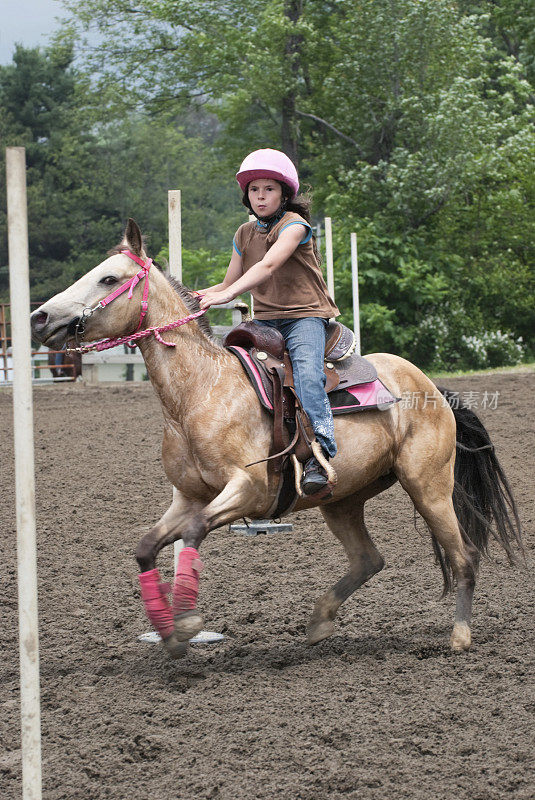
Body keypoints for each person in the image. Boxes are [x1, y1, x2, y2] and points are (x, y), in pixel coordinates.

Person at [199, 148, 339, 494]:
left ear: (284, 194)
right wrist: (189, 297)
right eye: (254, 190)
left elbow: (267, 267)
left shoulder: (295, 226)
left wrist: (228, 296)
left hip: (304, 317)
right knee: (229, 373)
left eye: (269, 189)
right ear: (246, 196)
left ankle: (320, 452)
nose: (260, 196)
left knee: (306, 373)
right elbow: (226, 282)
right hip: (264, 321)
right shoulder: (243, 234)